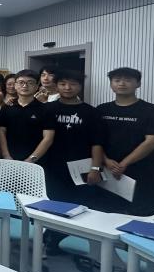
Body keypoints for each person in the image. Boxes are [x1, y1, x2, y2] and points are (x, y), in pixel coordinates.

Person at [97, 67, 154, 216]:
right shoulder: (101, 110)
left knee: (141, 216)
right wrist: (105, 160)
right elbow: (94, 139)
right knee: (105, 215)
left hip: (141, 173)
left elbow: (151, 142)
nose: (122, 84)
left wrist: (124, 163)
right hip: (107, 172)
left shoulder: (152, 111)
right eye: (117, 80)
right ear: (111, 84)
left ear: (138, 84)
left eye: (128, 80)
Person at [42, 70, 107, 205]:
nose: (67, 88)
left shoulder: (91, 112)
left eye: (73, 84)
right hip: (51, 167)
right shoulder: (47, 108)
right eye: (63, 84)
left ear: (80, 86)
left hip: (81, 167)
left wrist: (95, 168)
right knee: (52, 204)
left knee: (81, 206)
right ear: (56, 86)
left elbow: (97, 143)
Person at [0, 69, 55, 164]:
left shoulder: (46, 109)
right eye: (21, 82)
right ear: (15, 85)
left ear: (37, 86)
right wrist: (6, 156)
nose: (25, 86)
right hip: (9, 160)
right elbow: (1, 132)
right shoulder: (6, 107)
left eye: (30, 83)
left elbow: (48, 138)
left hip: (36, 162)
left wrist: (31, 160)